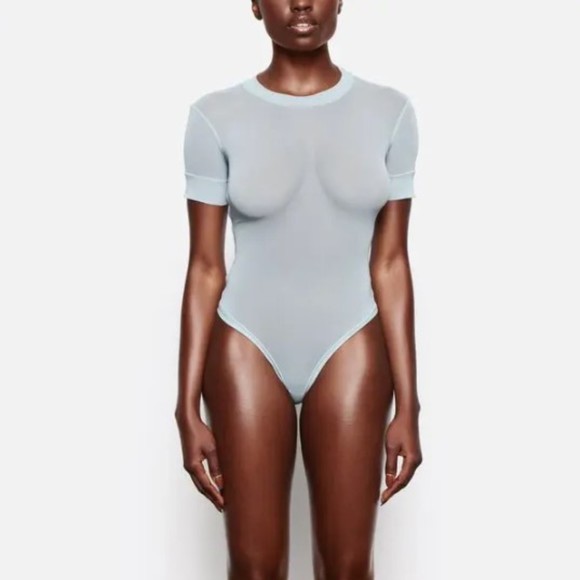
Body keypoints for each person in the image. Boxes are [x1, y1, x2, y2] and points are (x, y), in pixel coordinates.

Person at [175, 1, 423, 578]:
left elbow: (391, 262)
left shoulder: (390, 113)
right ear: (255, 5)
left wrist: (409, 404)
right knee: (253, 567)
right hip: (246, 342)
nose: (302, 4)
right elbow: (205, 267)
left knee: (348, 567)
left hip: (351, 339)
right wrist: (185, 407)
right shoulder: (215, 117)